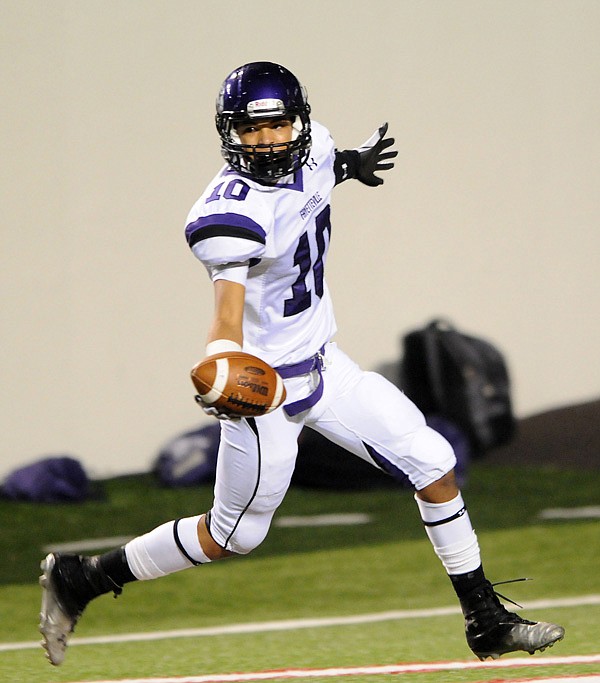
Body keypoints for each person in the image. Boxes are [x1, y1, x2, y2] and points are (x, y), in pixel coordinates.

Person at [39, 61, 564, 666]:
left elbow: (320, 172)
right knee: (231, 536)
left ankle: (484, 618)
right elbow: (227, 314)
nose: (266, 141)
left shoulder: (317, 149)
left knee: (433, 461)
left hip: (325, 364)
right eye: (250, 129)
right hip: (266, 392)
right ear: (227, 132)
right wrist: (221, 361)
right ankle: (82, 579)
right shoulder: (225, 216)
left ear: (300, 122)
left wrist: (351, 164)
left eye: (278, 125)